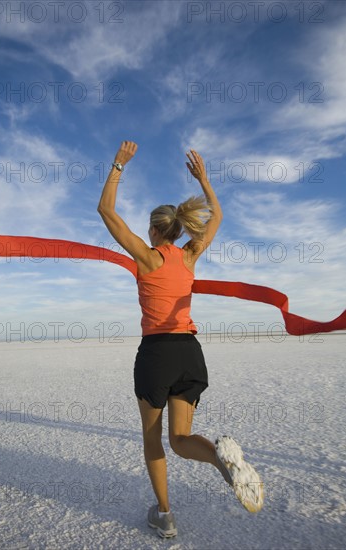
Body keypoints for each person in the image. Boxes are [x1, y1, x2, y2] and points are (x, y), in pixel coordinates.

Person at [97, 141, 263, 538]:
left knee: (154, 440)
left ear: (155, 230)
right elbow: (218, 215)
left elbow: (106, 211)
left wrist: (119, 163)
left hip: (157, 354)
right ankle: (225, 465)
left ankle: (165, 515)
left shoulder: (147, 256)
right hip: (190, 352)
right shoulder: (189, 256)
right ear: (177, 229)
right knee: (182, 438)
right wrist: (204, 181)